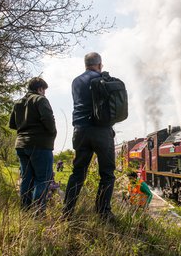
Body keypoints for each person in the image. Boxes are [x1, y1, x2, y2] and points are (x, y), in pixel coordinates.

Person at [63, 52, 116, 220]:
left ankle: (67, 211)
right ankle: (103, 212)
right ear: (100, 65)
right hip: (100, 131)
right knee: (107, 173)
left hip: (80, 131)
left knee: (78, 172)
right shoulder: (103, 79)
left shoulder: (76, 81)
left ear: (85, 64)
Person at [9, 77, 57, 215]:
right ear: (40, 88)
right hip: (40, 145)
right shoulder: (40, 100)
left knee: (26, 179)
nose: (44, 93)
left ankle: (25, 210)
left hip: (21, 145)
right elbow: (49, 120)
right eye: (44, 90)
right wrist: (52, 133)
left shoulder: (18, 103)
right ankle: (37, 213)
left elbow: (12, 124)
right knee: (43, 179)